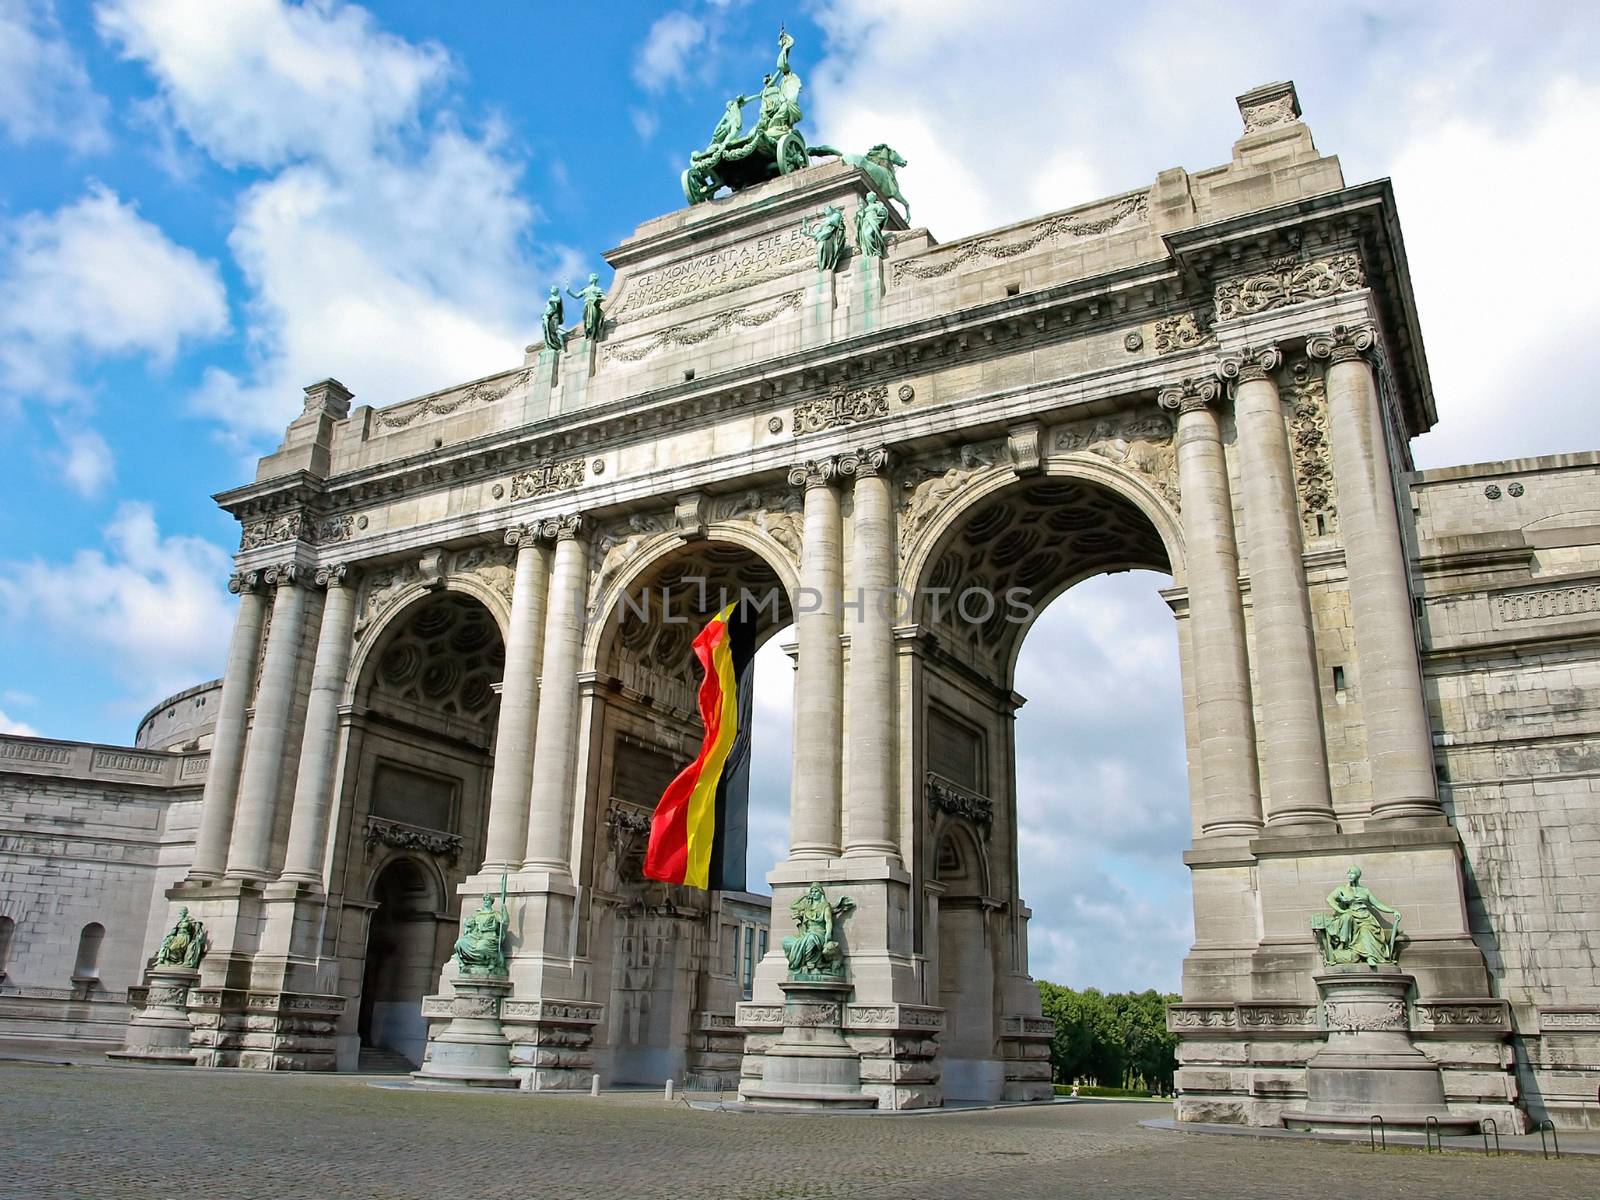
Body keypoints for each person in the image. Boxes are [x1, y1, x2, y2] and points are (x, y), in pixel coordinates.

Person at [1321, 865, 1402, 965]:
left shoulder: (1365, 890)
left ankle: (1370, 957)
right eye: (1349, 873)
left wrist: (1393, 911)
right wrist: (1342, 911)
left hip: (1366, 918)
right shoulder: (1342, 889)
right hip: (1351, 918)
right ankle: (1343, 945)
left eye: (1353, 873)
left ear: (1358, 876)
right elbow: (1330, 899)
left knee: (1366, 931)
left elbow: (1377, 904)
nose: (1350, 875)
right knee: (1347, 917)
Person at [452, 878, 509, 976]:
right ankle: (462, 963)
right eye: (485, 900)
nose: (486, 902)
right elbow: (470, 924)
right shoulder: (478, 914)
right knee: (459, 943)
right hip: (476, 936)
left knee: (481, 947)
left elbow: (504, 921)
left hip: (489, 937)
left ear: (491, 902)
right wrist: (467, 922)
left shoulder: (495, 914)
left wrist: (504, 907)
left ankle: (491, 960)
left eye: (488, 900)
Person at [800, 204, 846, 272]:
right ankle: (822, 266)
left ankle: (827, 265)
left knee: (824, 250)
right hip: (821, 237)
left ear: (831, 209)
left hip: (829, 237)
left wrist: (828, 222)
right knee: (820, 251)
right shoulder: (825, 222)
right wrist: (807, 234)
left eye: (827, 210)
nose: (825, 212)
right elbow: (816, 233)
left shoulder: (836, 215)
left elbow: (836, 223)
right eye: (824, 211)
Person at [566, 274, 605, 342]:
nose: (589, 279)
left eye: (590, 277)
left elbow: (603, 297)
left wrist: (597, 299)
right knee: (586, 321)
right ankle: (588, 334)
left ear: (594, 279)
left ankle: (593, 336)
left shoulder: (598, 289)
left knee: (593, 321)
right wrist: (569, 292)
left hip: (593, 306)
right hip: (587, 306)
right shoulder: (586, 290)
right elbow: (577, 296)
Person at [856, 191, 890, 258]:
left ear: (874, 198)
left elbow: (883, 214)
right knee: (865, 238)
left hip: (873, 222)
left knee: (868, 235)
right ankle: (869, 253)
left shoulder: (877, 205)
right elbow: (861, 217)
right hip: (865, 223)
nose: (869, 197)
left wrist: (877, 220)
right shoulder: (865, 208)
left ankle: (875, 251)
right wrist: (860, 210)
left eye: (871, 196)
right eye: (868, 196)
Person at [541, 286, 566, 353]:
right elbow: (547, 310)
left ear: (557, 291)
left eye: (554, 288)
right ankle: (549, 346)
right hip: (548, 318)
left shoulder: (557, 298)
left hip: (555, 317)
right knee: (547, 332)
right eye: (552, 288)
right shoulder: (549, 299)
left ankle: (562, 348)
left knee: (555, 332)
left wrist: (551, 300)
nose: (552, 289)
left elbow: (557, 301)